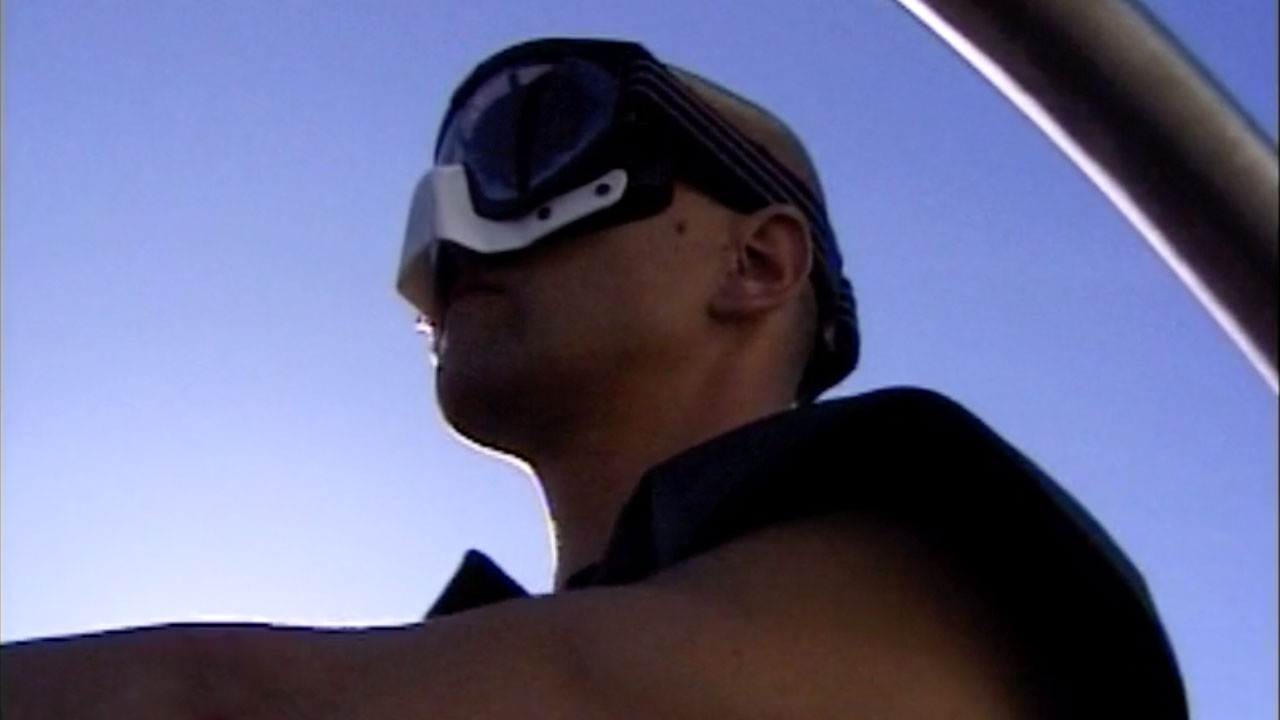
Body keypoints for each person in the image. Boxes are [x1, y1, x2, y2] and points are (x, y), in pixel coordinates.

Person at [1, 37, 1186, 719]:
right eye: (437, 197)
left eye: (525, 145)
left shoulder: (951, 564)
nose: (449, 245)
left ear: (757, 264)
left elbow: (218, 701)